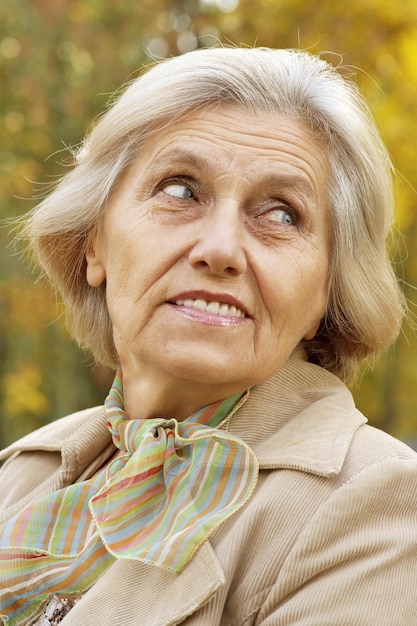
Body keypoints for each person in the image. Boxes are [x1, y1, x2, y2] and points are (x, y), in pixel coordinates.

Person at [0, 46, 416, 626]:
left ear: (329, 290)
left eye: (280, 214)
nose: (220, 249)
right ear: (93, 242)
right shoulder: (21, 472)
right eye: (179, 190)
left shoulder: (379, 507)